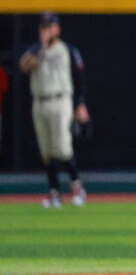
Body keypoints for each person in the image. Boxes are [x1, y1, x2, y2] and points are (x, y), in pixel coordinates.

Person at [19, 12, 89, 209]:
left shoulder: (67, 49)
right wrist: (39, 48)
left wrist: (80, 103)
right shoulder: (34, 51)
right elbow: (24, 66)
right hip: (40, 101)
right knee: (46, 151)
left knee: (62, 147)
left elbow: (80, 77)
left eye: (50, 26)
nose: (46, 30)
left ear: (57, 29)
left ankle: (77, 188)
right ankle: (54, 193)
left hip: (61, 100)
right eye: (43, 27)